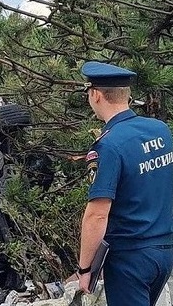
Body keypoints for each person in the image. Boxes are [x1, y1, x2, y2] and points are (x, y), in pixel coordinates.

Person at [78, 61, 173, 305]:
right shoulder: (159, 130)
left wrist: (85, 269)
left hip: (130, 258)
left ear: (96, 94)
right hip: (164, 250)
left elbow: (97, 215)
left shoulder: (108, 145)